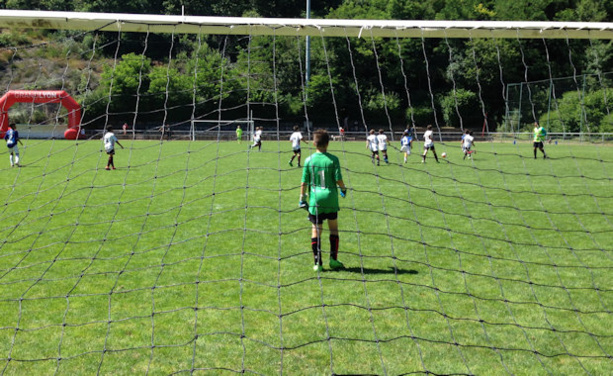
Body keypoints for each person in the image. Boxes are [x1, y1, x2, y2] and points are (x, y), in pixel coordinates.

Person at [299, 129, 347, 272]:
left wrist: (302, 198)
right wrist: (343, 189)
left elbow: (304, 183)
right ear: (328, 143)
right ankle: (333, 259)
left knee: (316, 230)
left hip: (316, 201)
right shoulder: (334, 159)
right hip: (331, 199)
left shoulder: (309, 160)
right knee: (333, 229)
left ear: (314, 143)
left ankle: (317, 263)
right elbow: (338, 179)